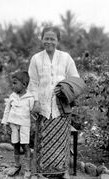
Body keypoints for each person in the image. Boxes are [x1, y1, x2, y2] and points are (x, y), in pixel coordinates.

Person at [28, 26, 85, 179]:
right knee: (43, 140)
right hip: (43, 107)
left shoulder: (66, 57)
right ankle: (40, 172)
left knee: (61, 141)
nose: (49, 41)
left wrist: (65, 88)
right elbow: (32, 83)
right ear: (41, 39)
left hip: (62, 106)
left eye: (52, 38)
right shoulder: (36, 59)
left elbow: (75, 78)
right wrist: (35, 101)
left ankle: (63, 171)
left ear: (58, 40)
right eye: (46, 38)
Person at [1, 70, 34, 177]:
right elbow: (7, 110)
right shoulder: (12, 96)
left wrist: (36, 119)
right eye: (12, 83)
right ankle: (17, 165)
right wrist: (5, 123)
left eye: (15, 83)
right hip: (13, 125)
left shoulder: (30, 98)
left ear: (24, 85)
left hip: (24, 125)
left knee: (25, 145)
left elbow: (33, 111)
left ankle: (28, 169)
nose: (12, 85)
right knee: (15, 144)